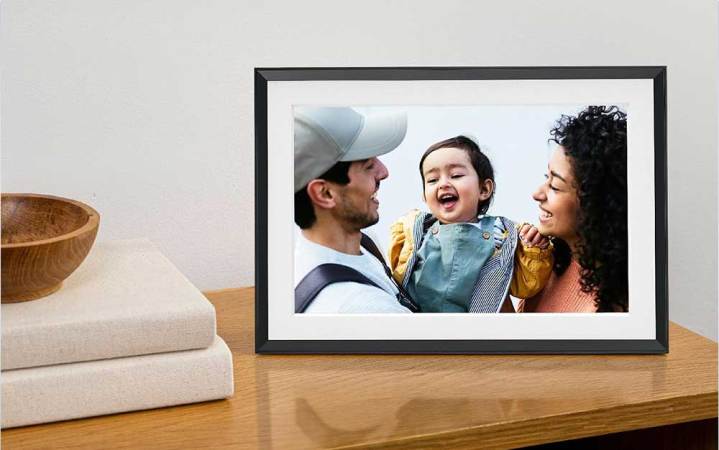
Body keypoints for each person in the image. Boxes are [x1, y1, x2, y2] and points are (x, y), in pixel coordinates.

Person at [388, 135, 553, 313]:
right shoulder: (415, 232)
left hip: (485, 335)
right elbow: (396, 282)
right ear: (424, 195)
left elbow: (527, 286)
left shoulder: (504, 234)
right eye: (432, 180)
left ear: (484, 190)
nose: (443, 184)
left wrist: (534, 247)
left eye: (456, 175)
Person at [294, 106, 413, 314]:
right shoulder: (364, 308)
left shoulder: (363, 242)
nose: (384, 172)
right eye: (368, 166)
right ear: (325, 193)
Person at [519, 105, 628, 313]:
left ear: (595, 204)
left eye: (555, 186)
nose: (537, 194)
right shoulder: (547, 263)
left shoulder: (613, 307)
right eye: (546, 177)